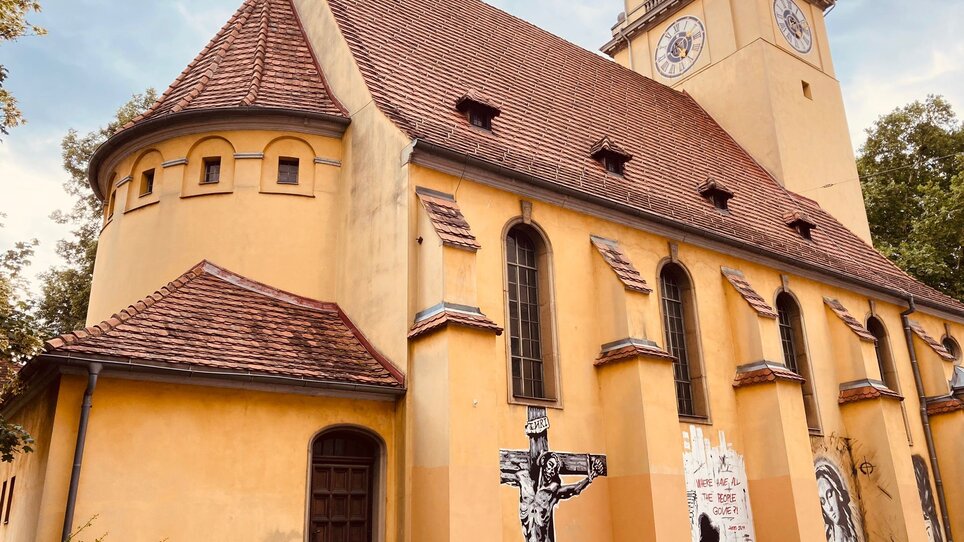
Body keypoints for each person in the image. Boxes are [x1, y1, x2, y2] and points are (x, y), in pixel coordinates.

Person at [502, 451, 603, 542]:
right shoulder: (524, 481)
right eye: (550, 465)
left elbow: (574, 489)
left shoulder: (552, 492)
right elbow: (504, 475)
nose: (552, 471)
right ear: (543, 462)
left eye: (555, 469)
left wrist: (590, 477)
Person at [815, 462, 859, 542]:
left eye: (829, 495)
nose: (829, 507)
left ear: (838, 493)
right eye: (823, 502)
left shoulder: (854, 531)